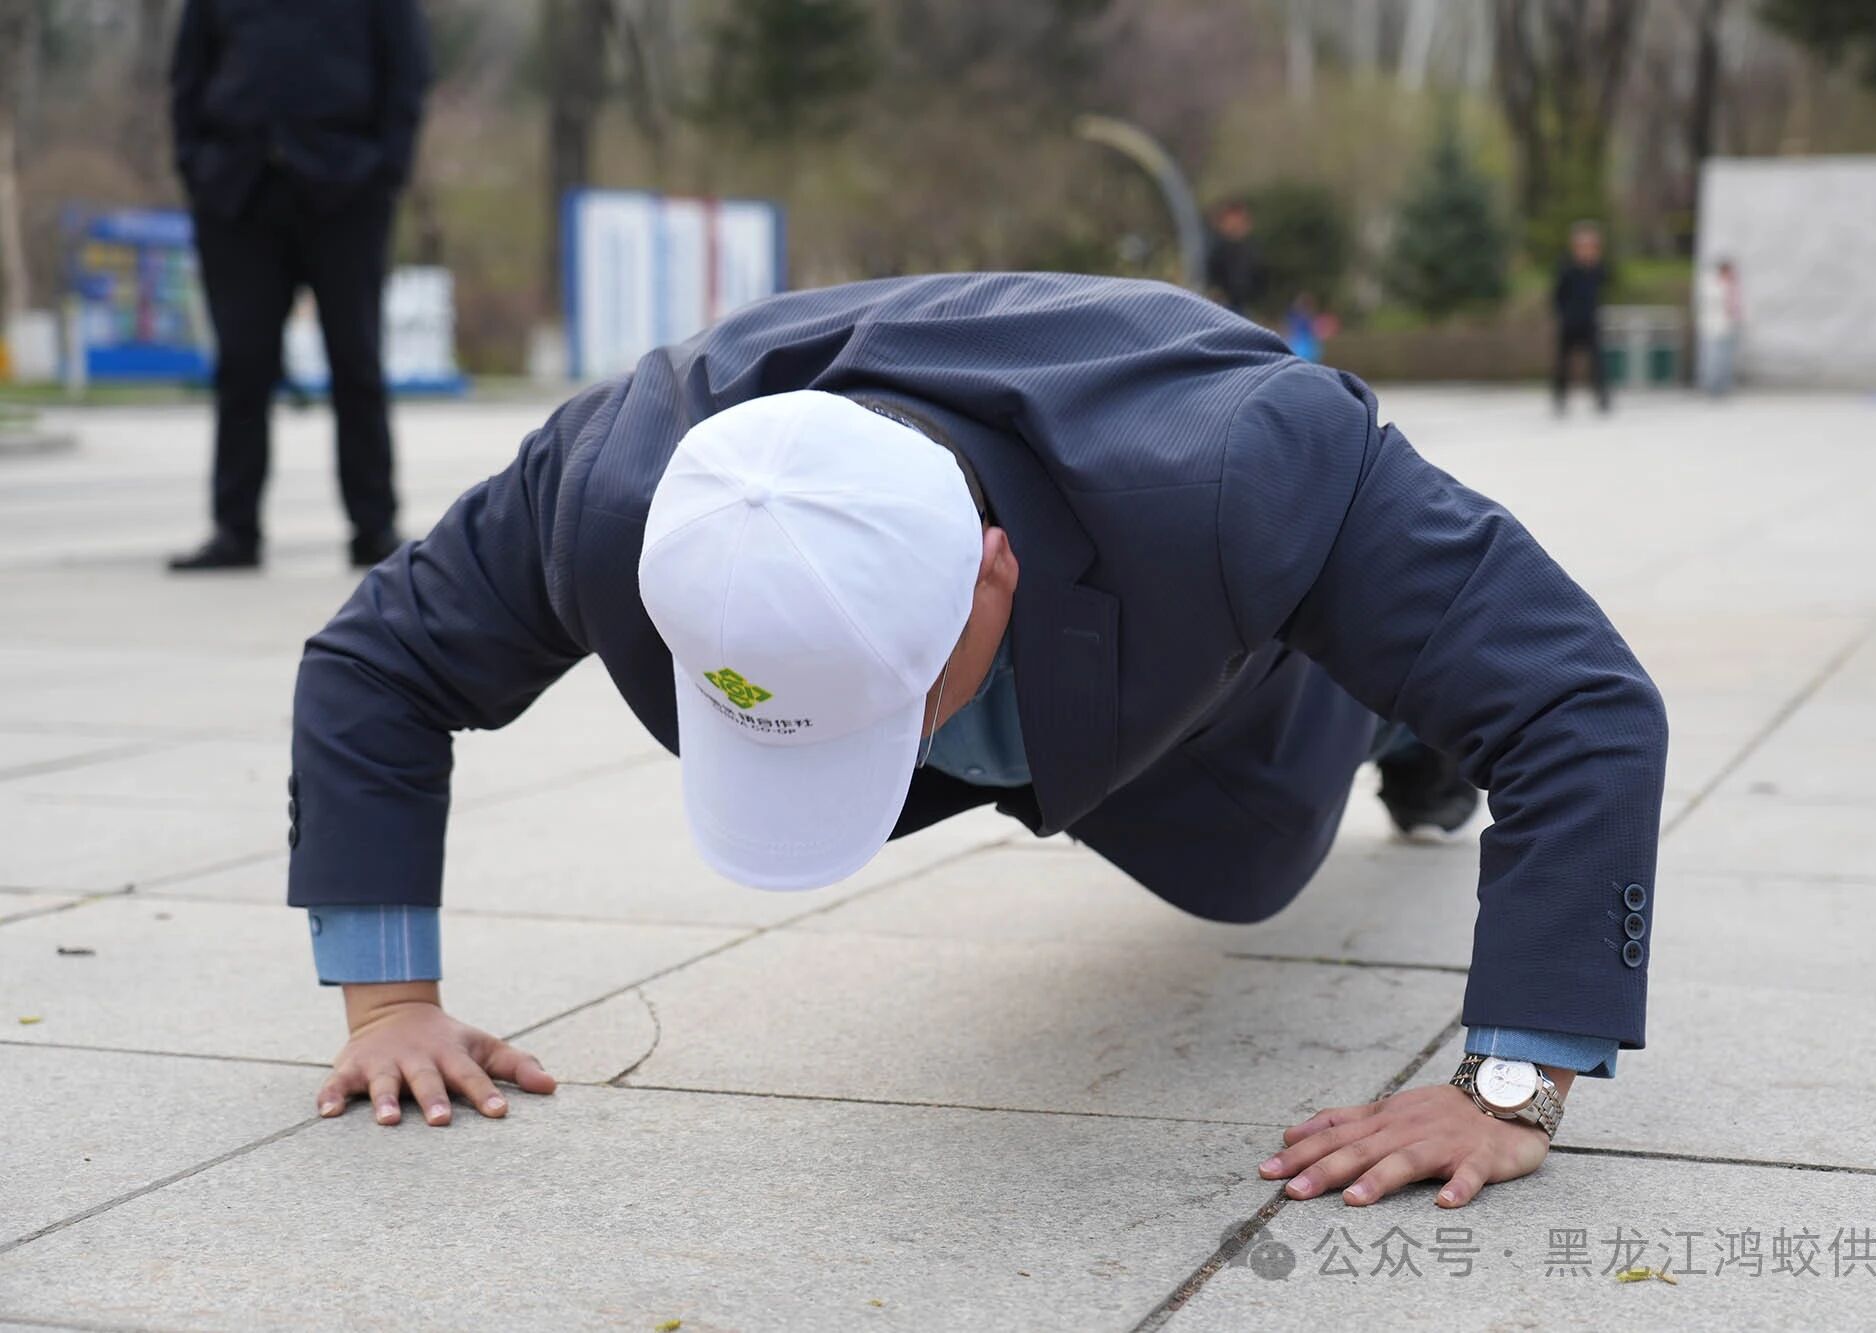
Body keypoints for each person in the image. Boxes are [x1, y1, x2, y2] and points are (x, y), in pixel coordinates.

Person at [289, 274, 1667, 1212]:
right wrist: (389, 1004)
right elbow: (376, 660)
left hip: (1210, 664)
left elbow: (1580, 703)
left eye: (869, 720)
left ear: (990, 577)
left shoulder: (1244, 469)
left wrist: (1509, 1089)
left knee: (1250, 862)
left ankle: (1402, 724)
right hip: (1054, 601)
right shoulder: (609, 484)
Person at [166, 0, 431, 572]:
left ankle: (373, 528)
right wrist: (195, 166)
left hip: (348, 188)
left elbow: (407, 69)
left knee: (356, 363)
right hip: (238, 192)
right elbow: (188, 72)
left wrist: (386, 171)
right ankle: (234, 530)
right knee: (241, 366)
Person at [1550, 221, 1611, 415]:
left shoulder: (1596, 268)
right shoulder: (1567, 268)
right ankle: (1560, 398)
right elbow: (1557, 294)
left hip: (1590, 321)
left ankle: (1602, 397)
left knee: (1597, 361)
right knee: (1563, 362)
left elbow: (1606, 281)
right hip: (1570, 322)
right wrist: (1562, 315)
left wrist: (1594, 263)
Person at [1205, 200, 1264, 315]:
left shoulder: (1250, 250)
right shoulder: (1216, 248)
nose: (1237, 224)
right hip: (1223, 306)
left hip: (1243, 306)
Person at [1695, 258, 1742, 397]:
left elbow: (1738, 306)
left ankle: (1724, 385)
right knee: (1713, 358)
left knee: (1726, 358)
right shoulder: (1712, 285)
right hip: (1713, 327)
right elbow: (1713, 303)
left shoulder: (1733, 286)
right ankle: (1711, 386)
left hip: (1730, 326)